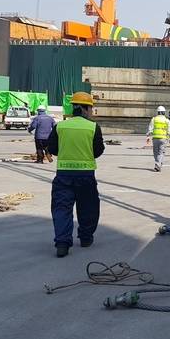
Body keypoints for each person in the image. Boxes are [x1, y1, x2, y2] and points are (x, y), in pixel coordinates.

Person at [46, 91, 105, 258]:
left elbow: (52, 148)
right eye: (91, 109)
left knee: (61, 208)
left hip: (63, 174)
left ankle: (62, 244)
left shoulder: (60, 126)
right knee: (88, 207)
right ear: (86, 109)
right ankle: (86, 238)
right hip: (86, 175)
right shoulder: (93, 127)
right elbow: (98, 150)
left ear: (74, 108)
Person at [145, 105, 170, 172]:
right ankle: (158, 164)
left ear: (158, 112)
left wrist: (148, 137)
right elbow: (169, 131)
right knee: (161, 152)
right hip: (163, 139)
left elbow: (150, 129)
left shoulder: (154, 119)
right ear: (164, 112)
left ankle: (158, 164)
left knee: (155, 152)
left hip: (155, 138)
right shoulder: (167, 120)